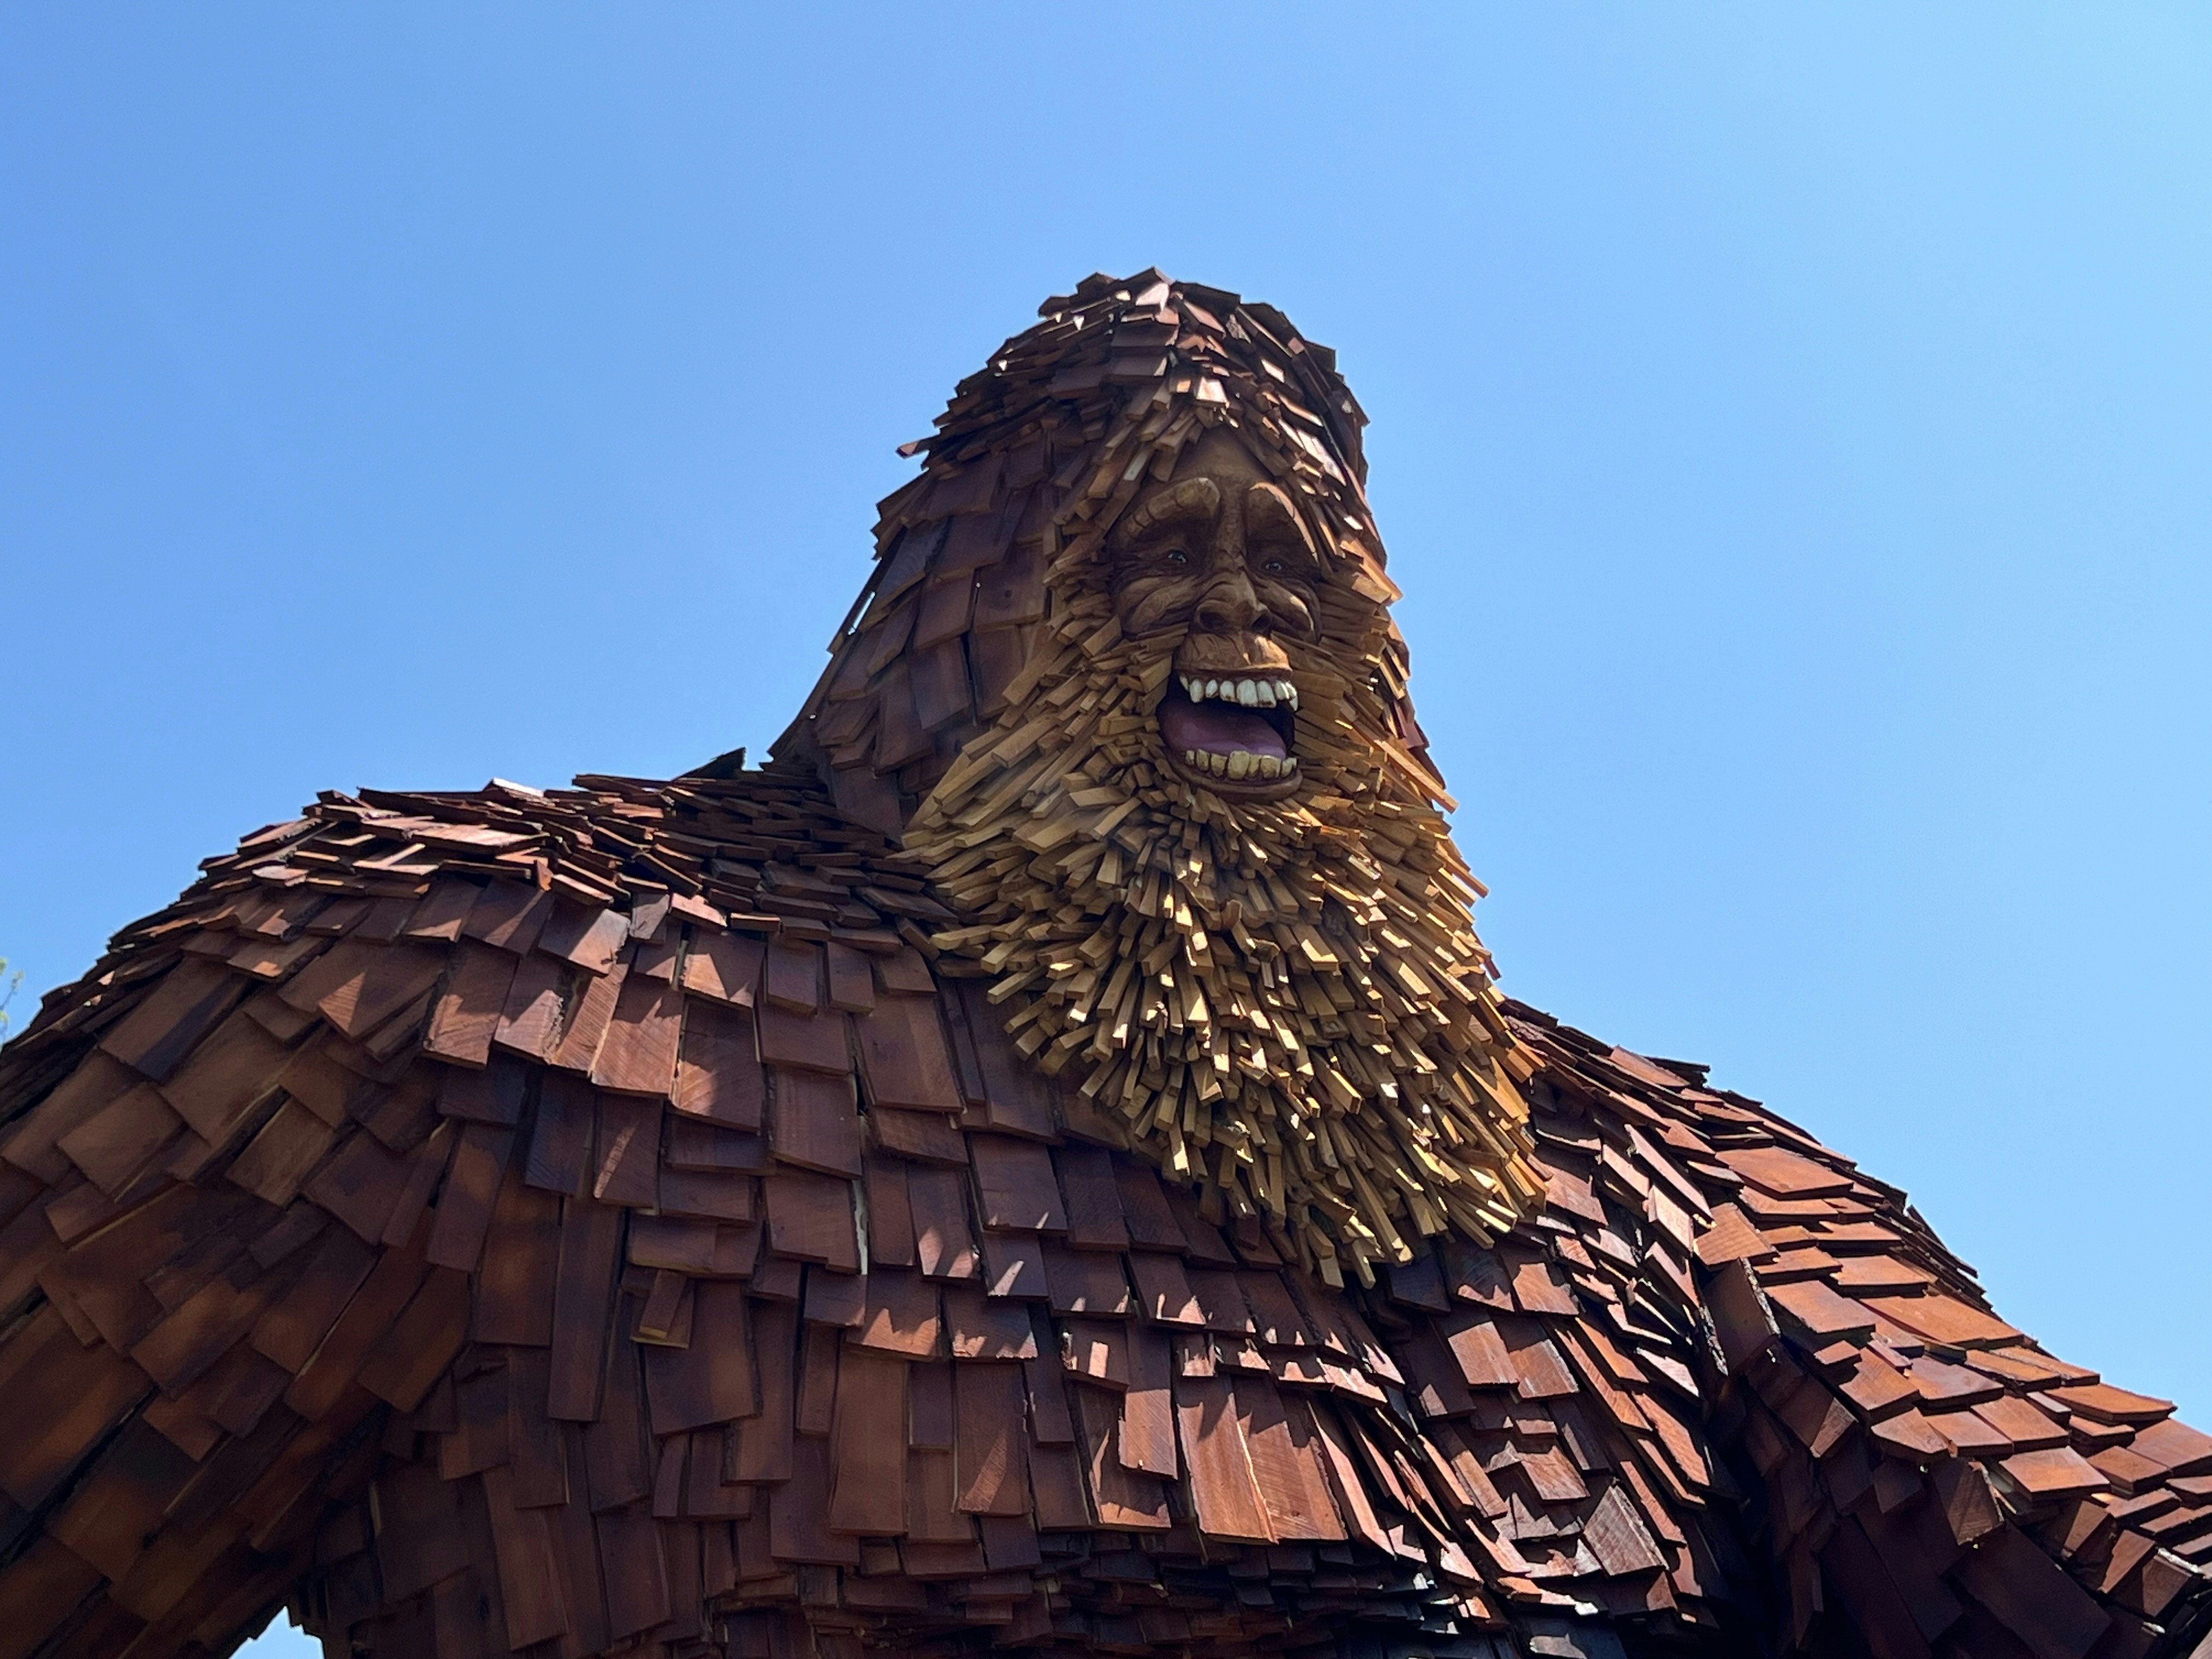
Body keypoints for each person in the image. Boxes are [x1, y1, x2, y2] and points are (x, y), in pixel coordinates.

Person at [0, 270, 2203, 1659]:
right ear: (953, 610)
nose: (1246, 625)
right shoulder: (458, 970)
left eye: (1304, 578)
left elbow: (2057, 1509)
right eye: (1159, 549)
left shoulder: (1630, 1158)